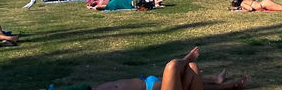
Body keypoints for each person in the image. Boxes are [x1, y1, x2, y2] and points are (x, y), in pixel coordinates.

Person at [93, 46, 248, 90]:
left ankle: (220, 82)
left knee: (191, 69)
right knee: (174, 66)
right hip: (153, 87)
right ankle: (186, 60)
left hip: (148, 82)